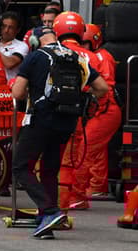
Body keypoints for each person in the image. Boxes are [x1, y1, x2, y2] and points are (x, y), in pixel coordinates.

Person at [11, 16, 109, 239]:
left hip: (41, 119)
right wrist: (78, 96)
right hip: (68, 120)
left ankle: (50, 210)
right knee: (50, 169)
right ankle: (47, 220)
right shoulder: (76, 56)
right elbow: (102, 88)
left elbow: (17, 92)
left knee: (20, 166)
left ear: (35, 42)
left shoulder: (36, 57)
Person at [50, 12, 120, 211]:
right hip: (80, 114)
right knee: (76, 156)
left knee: (74, 156)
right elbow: (100, 89)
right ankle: (71, 196)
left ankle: (74, 195)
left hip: (65, 114)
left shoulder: (49, 52)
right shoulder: (90, 57)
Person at [73, 22, 120, 200]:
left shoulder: (102, 57)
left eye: (84, 44)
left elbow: (105, 88)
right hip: (100, 111)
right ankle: (97, 185)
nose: (81, 47)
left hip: (105, 111)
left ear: (93, 42)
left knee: (85, 149)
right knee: (95, 150)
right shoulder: (94, 56)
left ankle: (76, 193)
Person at [0, 11, 29, 82]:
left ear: (18, 30)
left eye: (11, 28)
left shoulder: (22, 46)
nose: (6, 30)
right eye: (4, 26)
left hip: (11, 88)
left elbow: (9, 64)